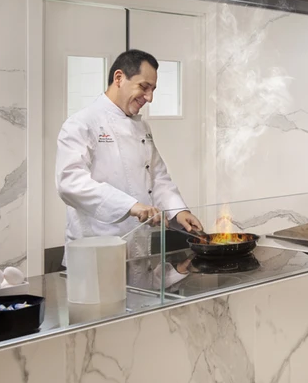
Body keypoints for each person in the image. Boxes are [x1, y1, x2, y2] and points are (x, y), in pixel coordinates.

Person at [56, 49, 202, 260]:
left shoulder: (142, 127)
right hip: (95, 248)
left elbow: (158, 177)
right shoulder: (81, 123)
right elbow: (70, 182)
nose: (149, 97)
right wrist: (130, 206)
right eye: (144, 87)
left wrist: (178, 211)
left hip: (138, 244)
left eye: (153, 89)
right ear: (119, 78)